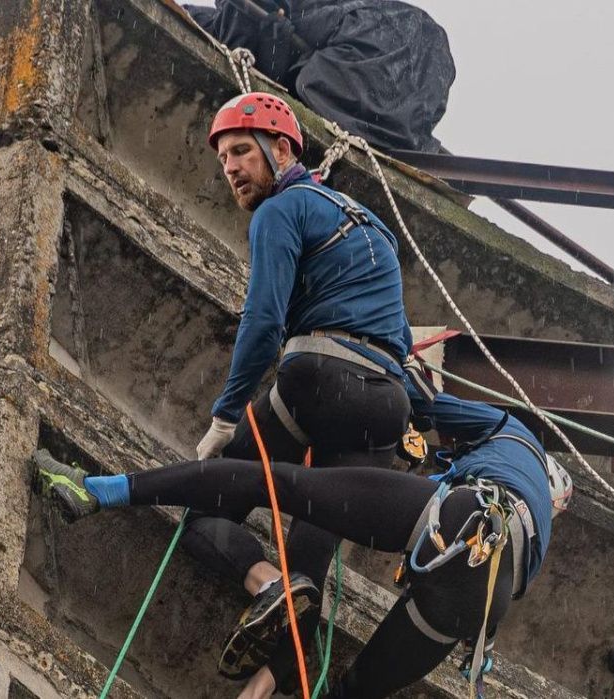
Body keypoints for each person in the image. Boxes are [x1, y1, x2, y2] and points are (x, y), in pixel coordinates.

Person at [34, 379, 574, 698]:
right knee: (355, 692)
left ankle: (98, 490)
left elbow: (422, 404)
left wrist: (396, 358)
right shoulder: (540, 527)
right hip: (479, 606)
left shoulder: (511, 432)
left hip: (463, 520)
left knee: (277, 483)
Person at [187, 91, 415, 691]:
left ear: (281, 148)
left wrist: (225, 414)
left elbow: (263, 322)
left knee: (205, 508)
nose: (231, 167)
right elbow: (402, 337)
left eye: (240, 151)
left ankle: (267, 584)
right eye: (224, 159)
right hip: (386, 408)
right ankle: (265, 685)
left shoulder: (280, 211)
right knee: (309, 568)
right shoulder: (376, 229)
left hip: (321, 379)